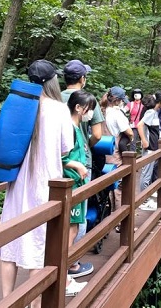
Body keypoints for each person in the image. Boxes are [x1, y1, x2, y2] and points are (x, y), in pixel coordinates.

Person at [0, 60, 86, 303]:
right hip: (47, 184)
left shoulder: (16, 105)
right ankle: (34, 302)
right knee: (41, 243)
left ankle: (7, 301)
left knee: (11, 240)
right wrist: (71, 162)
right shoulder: (58, 109)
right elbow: (65, 147)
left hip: (17, 185)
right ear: (53, 81)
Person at [61, 59, 101, 279]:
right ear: (82, 78)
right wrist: (84, 151)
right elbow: (97, 134)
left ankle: (57, 261)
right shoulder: (85, 100)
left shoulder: (53, 97)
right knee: (77, 218)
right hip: (77, 171)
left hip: (57, 174)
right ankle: (71, 264)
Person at [63, 90, 96, 292]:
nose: (90, 113)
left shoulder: (76, 127)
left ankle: (64, 275)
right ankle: (63, 278)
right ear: (78, 107)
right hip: (71, 184)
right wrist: (77, 166)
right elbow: (59, 157)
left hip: (78, 183)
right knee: (70, 230)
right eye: (89, 109)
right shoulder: (68, 128)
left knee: (73, 229)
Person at [102, 86, 133, 218]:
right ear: (118, 100)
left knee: (107, 185)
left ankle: (107, 216)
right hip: (115, 153)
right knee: (118, 187)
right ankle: (119, 219)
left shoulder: (102, 111)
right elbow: (129, 131)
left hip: (102, 152)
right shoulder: (116, 114)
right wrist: (130, 138)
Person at [137, 92, 161, 211]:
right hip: (150, 148)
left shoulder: (153, 113)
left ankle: (146, 197)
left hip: (153, 147)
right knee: (146, 173)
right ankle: (144, 200)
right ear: (159, 102)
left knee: (149, 171)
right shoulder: (151, 112)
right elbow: (140, 125)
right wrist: (144, 141)